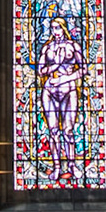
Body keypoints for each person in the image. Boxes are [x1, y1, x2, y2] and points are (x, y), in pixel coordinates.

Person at [38, 17, 84, 158]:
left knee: (68, 130)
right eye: (52, 28)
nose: (55, 31)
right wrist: (56, 65)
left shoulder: (73, 46)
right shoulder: (47, 48)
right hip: (49, 90)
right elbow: (40, 70)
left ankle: (71, 164)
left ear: (64, 28)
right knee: (53, 131)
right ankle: (56, 166)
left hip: (68, 89)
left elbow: (83, 69)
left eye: (57, 28)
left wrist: (66, 78)